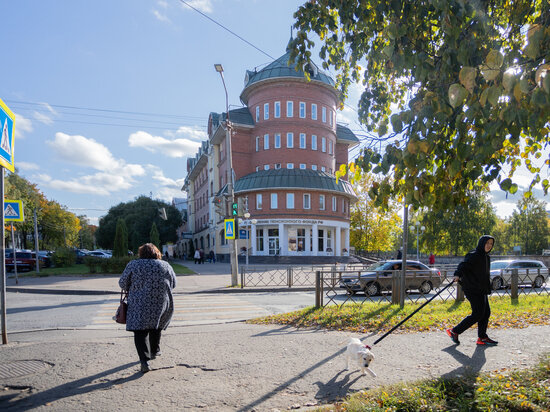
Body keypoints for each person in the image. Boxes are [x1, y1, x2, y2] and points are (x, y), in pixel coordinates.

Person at [119, 243, 177, 373]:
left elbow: (122, 283)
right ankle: (155, 351)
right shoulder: (165, 265)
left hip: (139, 303)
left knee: (140, 331)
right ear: (157, 253)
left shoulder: (134, 265)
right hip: (161, 302)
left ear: (141, 253)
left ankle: (144, 361)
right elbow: (174, 283)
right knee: (156, 325)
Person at [446, 235, 498, 346]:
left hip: (481, 289)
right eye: (487, 243)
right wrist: (457, 275)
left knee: (486, 313)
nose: (489, 245)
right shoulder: (473, 255)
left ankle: (482, 337)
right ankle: (455, 331)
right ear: (481, 243)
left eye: (491, 244)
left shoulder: (486, 257)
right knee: (478, 314)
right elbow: (463, 266)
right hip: (472, 288)